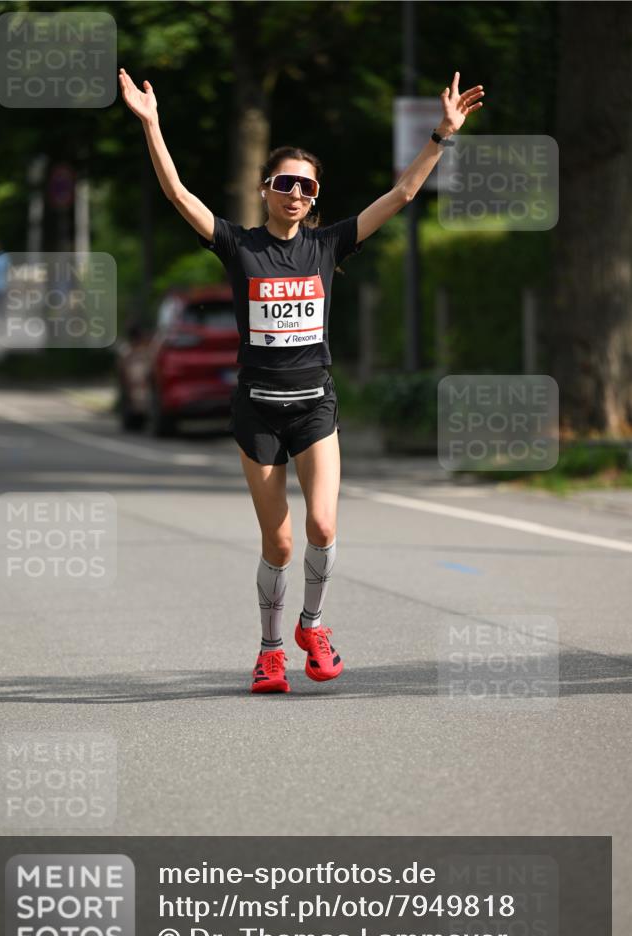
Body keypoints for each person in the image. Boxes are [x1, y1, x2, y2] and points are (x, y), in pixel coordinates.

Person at [118, 67, 483, 694]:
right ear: (266, 189)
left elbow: (399, 195)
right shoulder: (239, 246)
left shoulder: (328, 246)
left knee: (321, 527)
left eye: (306, 188)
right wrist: (152, 126)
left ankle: (312, 627)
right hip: (256, 411)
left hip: (315, 406)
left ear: (315, 197)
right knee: (280, 542)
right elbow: (179, 194)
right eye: (285, 183)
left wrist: (440, 137)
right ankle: (268, 651)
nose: (295, 194)